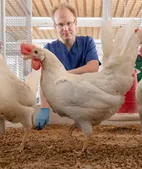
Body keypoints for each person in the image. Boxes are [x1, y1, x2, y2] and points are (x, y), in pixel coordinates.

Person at [36, 2, 100, 130]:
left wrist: (64, 75)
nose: (65, 28)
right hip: (62, 103)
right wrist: (44, 108)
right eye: (60, 24)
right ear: (55, 26)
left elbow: (93, 67)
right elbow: (44, 80)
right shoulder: (49, 49)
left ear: (75, 23)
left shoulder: (87, 42)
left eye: (69, 23)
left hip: (85, 101)